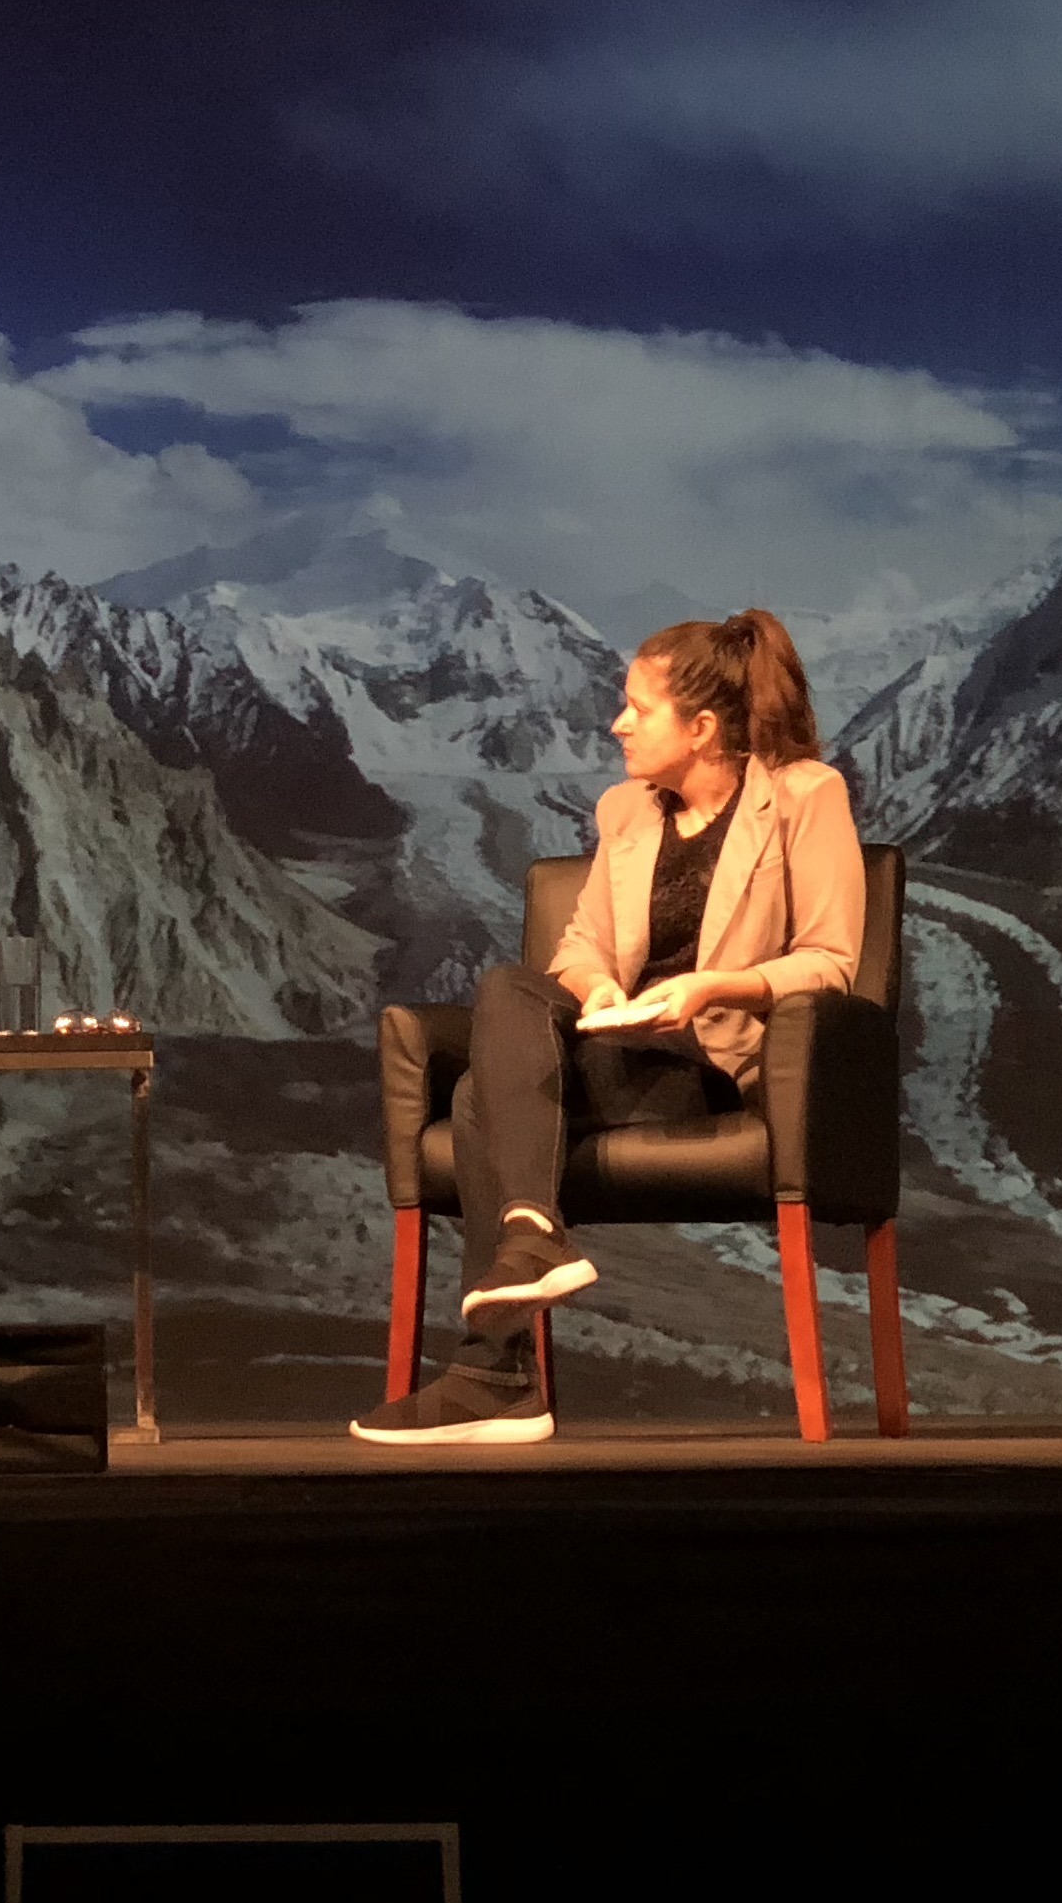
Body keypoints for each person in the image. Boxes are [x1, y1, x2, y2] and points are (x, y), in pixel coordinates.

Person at [353, 608, 863, 1448]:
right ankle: (529, 1245)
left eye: (637, 707)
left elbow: (831, 960)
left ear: (701, 728)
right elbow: (583, 945)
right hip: (617, 1047)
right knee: (510, 990)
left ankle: (496, 1375)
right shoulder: (627, 810)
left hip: (707, 1063)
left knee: (483, 1097)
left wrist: (707, 989)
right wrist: (595, 993)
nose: (617, 723)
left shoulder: (804, 795)